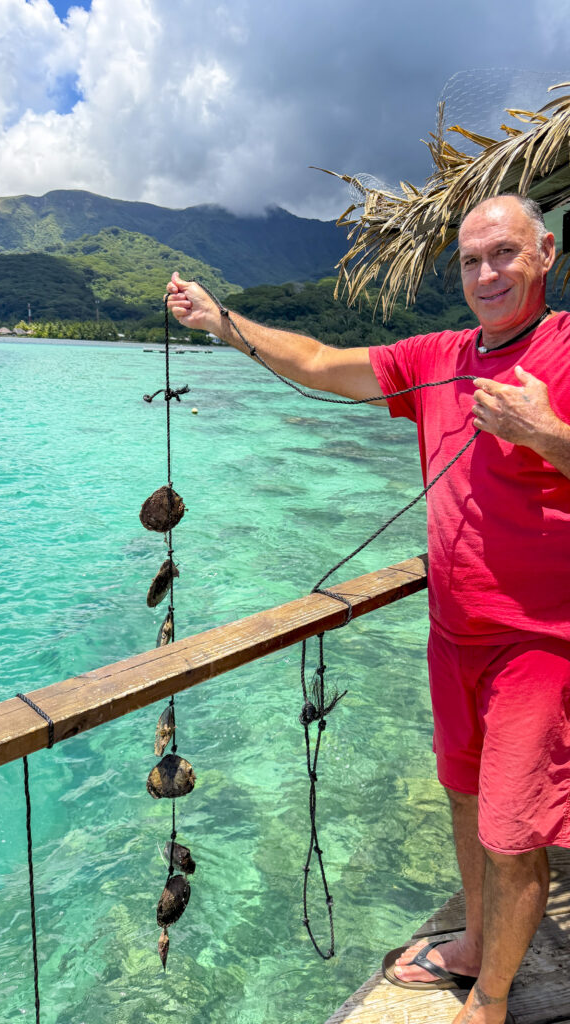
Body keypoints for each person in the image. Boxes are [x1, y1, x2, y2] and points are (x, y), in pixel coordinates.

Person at [167, 193, 570, 1024]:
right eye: (470, 260)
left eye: (504, 254)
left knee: (513, 832)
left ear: (547, 254)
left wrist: (547, 436)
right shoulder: (440, 356)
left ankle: (491, 1002)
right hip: (454, 636)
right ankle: (473, 941)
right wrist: (222, 321)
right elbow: (319, 361)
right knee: (463, 795)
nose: (487, 273)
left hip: (541, 646)